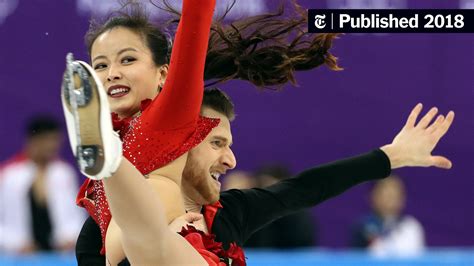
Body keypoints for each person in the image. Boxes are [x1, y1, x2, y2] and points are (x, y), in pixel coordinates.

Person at [76, 87, 454, 266]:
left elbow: (303, 189)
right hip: (141, 232)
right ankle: (112, 159)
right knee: (149, 236)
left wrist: (388, 157)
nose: (231, 159)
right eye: (218, 143)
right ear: (181, 147)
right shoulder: (108, 225)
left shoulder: (231, 213)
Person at [0, 116, 85, 253]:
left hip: (60, 256)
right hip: (18, 256)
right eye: (48, 140)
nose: (53, 145)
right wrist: (15, 243)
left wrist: (70, 237)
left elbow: (76, 215)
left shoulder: (64, 173)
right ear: (33, 141)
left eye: (56, 140)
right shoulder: (9, 175)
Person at [351, 175, 425, 257]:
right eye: (386, 193)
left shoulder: (412, 226)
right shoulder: (362, 227)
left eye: (395, 194)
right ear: (373, 196)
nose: (391, 199)